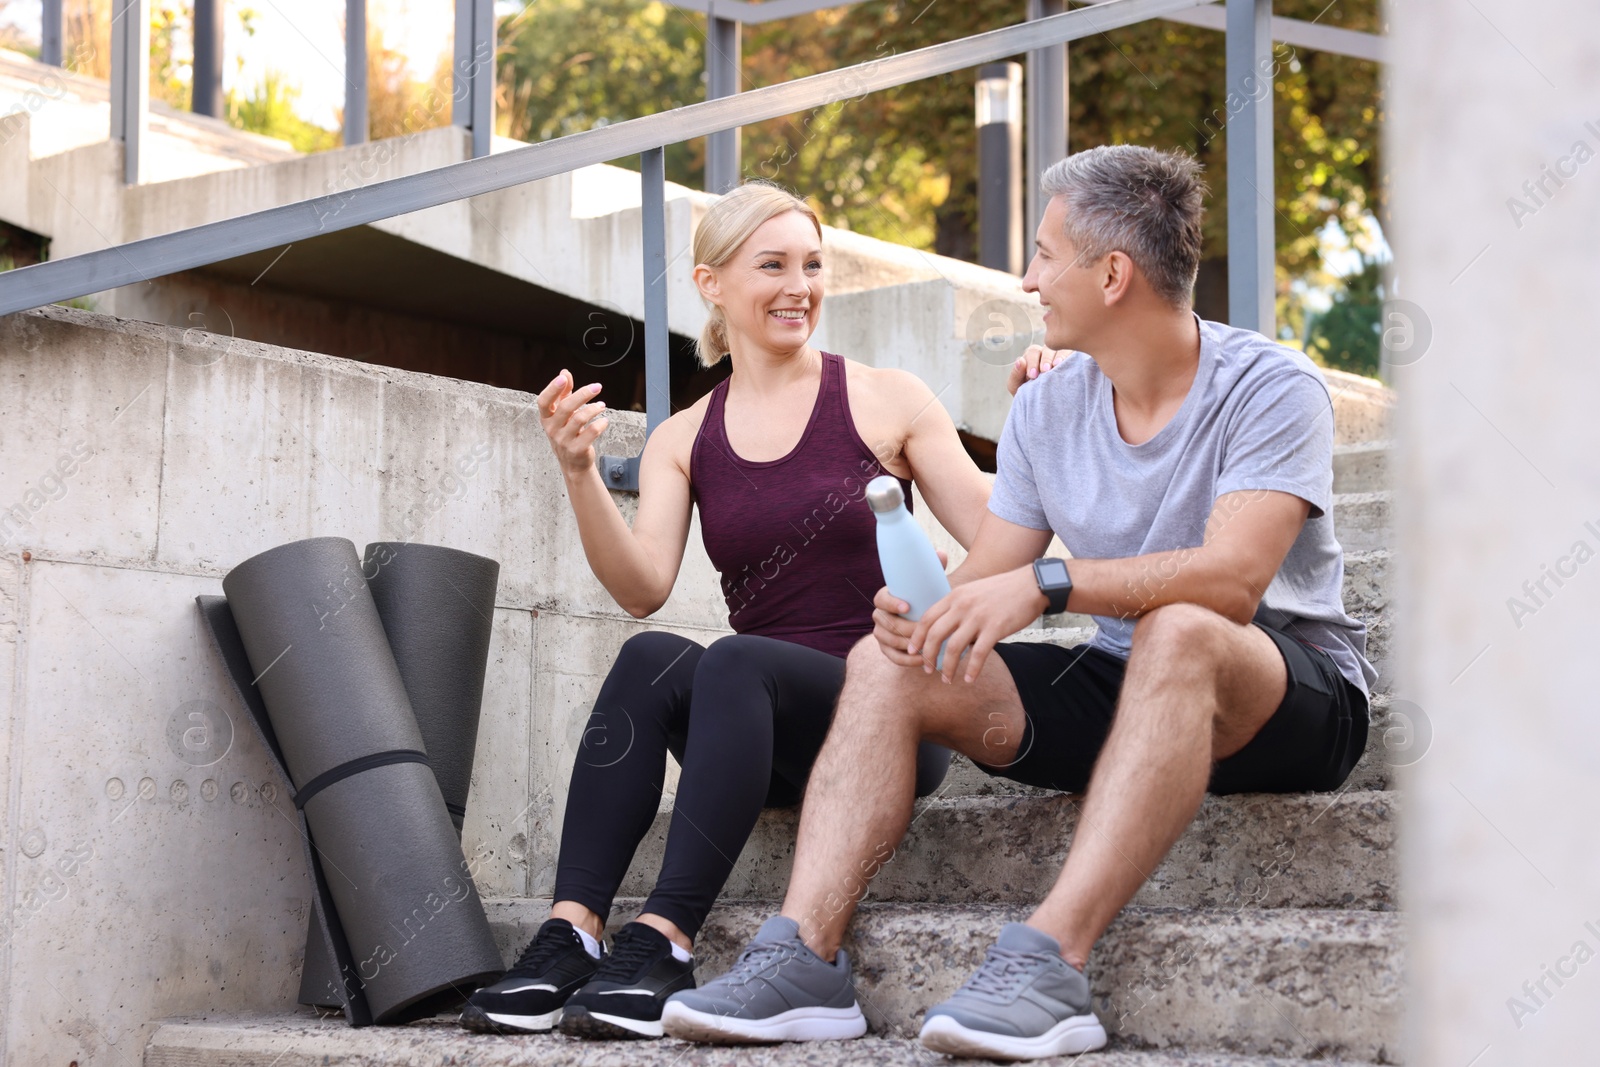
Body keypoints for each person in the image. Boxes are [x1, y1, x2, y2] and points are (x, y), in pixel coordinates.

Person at [662, 145, 1378, 1059]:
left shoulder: (1272, 387)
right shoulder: (1045, 409)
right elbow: (988, 570)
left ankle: (1051, 961)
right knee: (890, 658)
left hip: (1283, 695)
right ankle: (803, 954)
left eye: (1045, 254)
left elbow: (1233, 581)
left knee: (1184, 628)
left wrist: (1050, 584)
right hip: (1125, 686)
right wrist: (921, 612)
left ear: (1112, 273)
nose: (1028, 276)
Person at [458, 181, 996, 1040]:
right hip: (764, 731)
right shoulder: (684, 436)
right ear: (710, 283)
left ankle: (667, 938)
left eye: (813, 265)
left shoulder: (888, 398)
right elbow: (641, 588)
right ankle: (572, 934)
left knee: (732, 659)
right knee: (653, 659)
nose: (799, 286)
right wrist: (578, 471)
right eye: (772, 264)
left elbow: (1002, 539)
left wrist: (938, 600)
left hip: (893, 716)